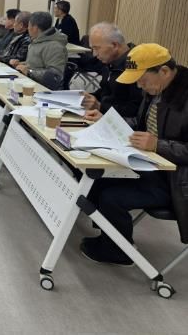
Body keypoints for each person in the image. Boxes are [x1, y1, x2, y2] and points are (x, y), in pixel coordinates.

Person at [80, 44, 188, 266]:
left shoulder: (182, 98)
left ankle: (119, 251)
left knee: (112, 197)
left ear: (164, 71)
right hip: (151, 166)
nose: (139, 86)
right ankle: (112, 238)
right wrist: (107, 120)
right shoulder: (156, 90)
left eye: (142, 80)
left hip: (176, 182)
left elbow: (159, 141)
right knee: (98, 181)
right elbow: (140, 125)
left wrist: (158, 145)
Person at [82, 23, 143, 122]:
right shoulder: (110, 61)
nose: (94, 54)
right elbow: (106, 91)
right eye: (92, 49)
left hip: (121, 124)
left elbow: (136, 110)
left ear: (114, 45)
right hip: (104, 116)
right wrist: (88, 98)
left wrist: (100, 106)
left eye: (97, 48)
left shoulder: (135, 66)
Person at [13, 11, 67, 89]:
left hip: (44, 90)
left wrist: (29, 72)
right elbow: (38, 64)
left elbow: (55, 75)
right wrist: (22, 64)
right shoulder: (37, 41)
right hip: (30, 83)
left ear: (35, 28)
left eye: (29, 25)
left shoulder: (54, 47)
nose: (28, 28)